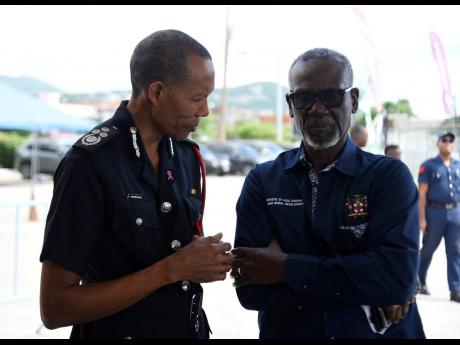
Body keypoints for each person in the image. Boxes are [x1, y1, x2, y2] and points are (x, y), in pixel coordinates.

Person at [39, 29, 235, 339]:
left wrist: (204, 258)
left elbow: (178, 251)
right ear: (156, 93)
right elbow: (55, 307)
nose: (205, 111)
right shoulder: (89, 163)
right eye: (197, 98)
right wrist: (171, 269)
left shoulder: (186, 155)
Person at [231, 48, 425, 339]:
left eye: (332, 96)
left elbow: (397, 278)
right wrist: (365, 290)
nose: (318, 109)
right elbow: (252, 290)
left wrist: (285, 268)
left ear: (354, 99)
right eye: (305, 98)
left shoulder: (388, 177)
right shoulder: (263, 181)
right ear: (291, 104)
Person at [417, 131, 460, 303]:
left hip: (455, 213)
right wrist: (422, 218)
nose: (448, 143)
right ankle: (419, 280)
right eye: (444, 140)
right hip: (434, 212)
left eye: (451, 140)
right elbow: (421, 195)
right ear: (438, 143)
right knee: (428, 249)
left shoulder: (458, 165)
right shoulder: (429, 165)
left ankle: (455, 289)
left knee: (455, 251)